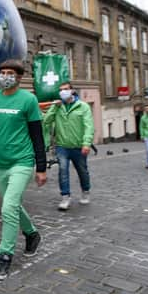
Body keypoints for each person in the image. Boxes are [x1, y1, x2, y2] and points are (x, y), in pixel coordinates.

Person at [0, 59, 46, 281]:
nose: (5, 76)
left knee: (8, 207)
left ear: (18, 77)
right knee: (14, 205)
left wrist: (41, 167)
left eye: (10, 73)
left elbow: (38, 135)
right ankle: (32, 234)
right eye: (2, 72)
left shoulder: (28, 100)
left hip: (22, 161)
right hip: (0, 163)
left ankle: (4, 255)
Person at [42, 81, 95, 211]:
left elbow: (89, 126)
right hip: (62, 146)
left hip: (78, 146)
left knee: (82, 171)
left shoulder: (83, 106)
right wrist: (54, 107)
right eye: (60, 90)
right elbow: (46, 121)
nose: (62, 92)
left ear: (72, 91)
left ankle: (85, 191)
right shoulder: (58, 107)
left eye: (65, 89)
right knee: (63, 170)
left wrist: (86, 143)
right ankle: (65, 197)